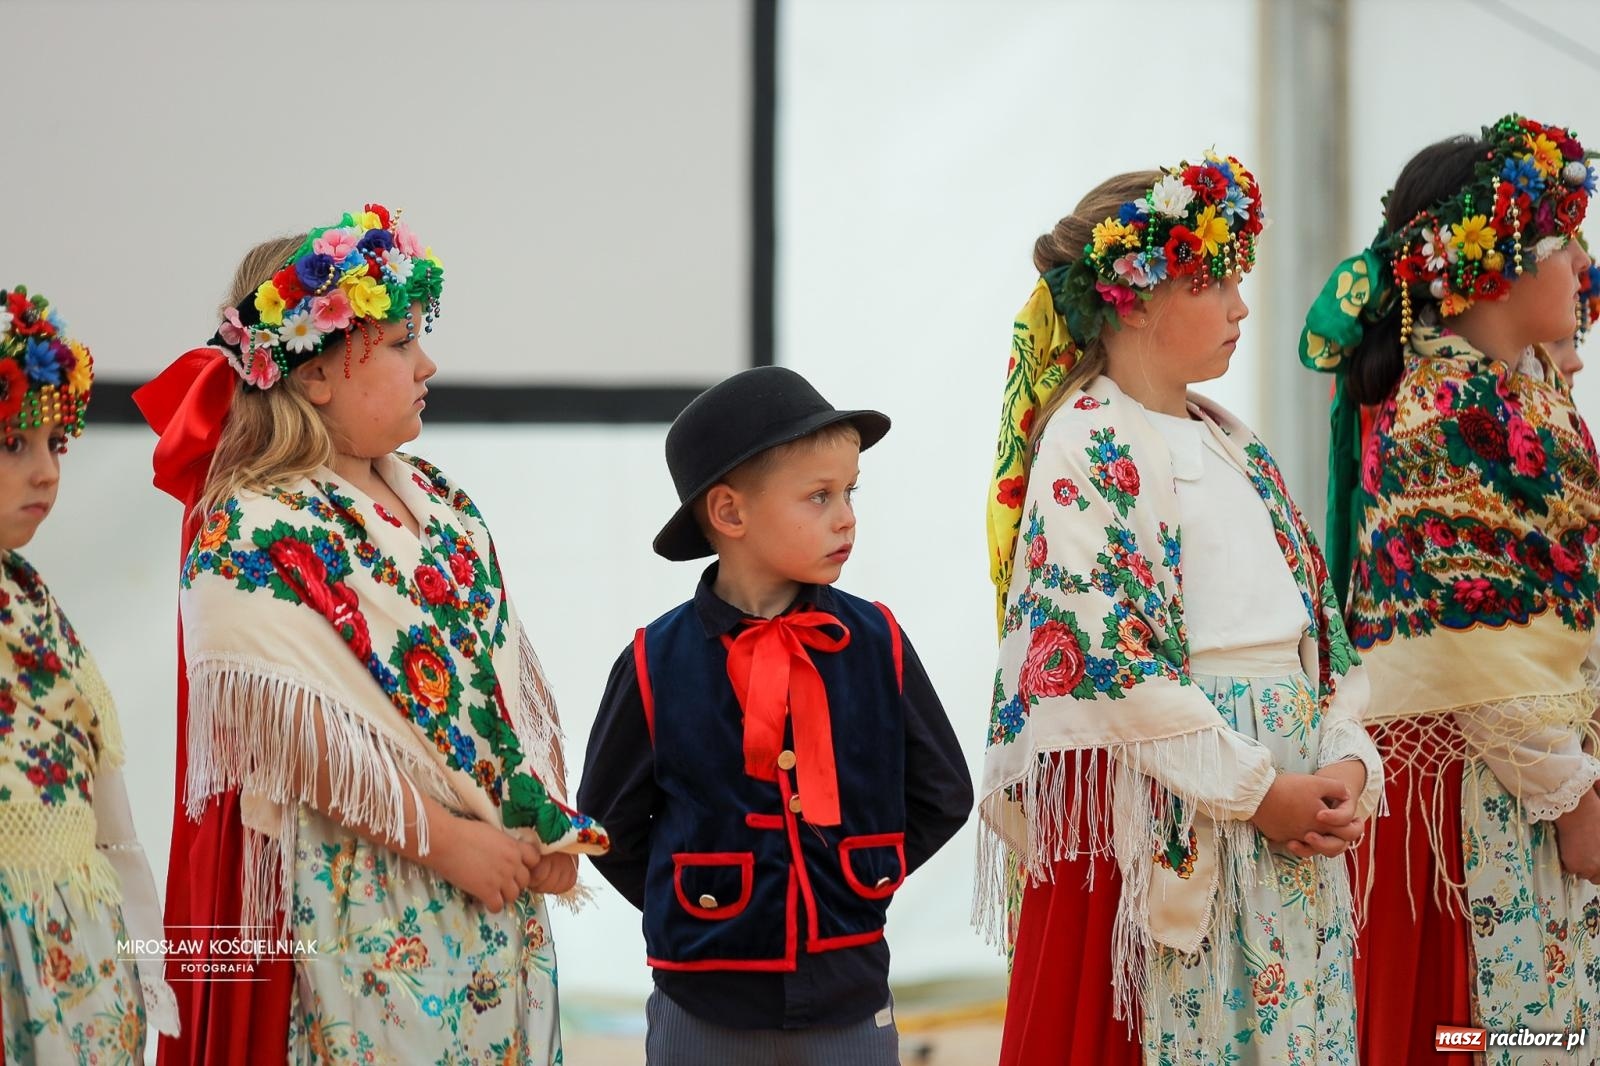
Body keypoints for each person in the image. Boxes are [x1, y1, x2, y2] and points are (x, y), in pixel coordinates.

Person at [133, 206, 608, 1064]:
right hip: (366, 902)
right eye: (398, 344)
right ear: (313, 373)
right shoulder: (247, 527)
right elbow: (285, 737)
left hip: (490, 892)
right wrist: (448, 841)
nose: (428, 364)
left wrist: (541, 821)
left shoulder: (445, 505)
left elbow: (500, 686)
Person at [978, 154, 1382, 1064]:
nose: (1240, 304)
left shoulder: (1239, 446)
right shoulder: (1085, 444)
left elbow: (1325, 643)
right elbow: (1111, 670)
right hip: (1185, 803)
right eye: (1210, 280)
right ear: (1129, 299)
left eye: (1237, 278)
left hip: (1289, 807)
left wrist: (1346, 761)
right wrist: (1254, 791)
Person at [1301, 114, 1600, 1061]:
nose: (1583, 268)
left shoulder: (1517, 390)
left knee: (1537, 1030)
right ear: (1493, 264)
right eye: (1563, 241)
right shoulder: (1445, 404)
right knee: (1475, 1035)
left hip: (1529, 768)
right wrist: (1575, 792)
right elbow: (1475, 640)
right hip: (1476, 782)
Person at [577, 365, 972, 1066]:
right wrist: (696, 903)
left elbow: (943, 794)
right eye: (819, 496)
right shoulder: (652, 661)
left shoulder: (876, 643)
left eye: (850, 492)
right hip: (703, 1005)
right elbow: (607, 823)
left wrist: (862, 878)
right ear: (730, 513)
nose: (847, 515)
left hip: (848, 995)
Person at [0, 285, 178, 1061]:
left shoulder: (32, 595)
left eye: (55, 446)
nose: (47, 474)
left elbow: (112, 827)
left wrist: (144, 963)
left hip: (78, 955)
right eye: (14, 445)